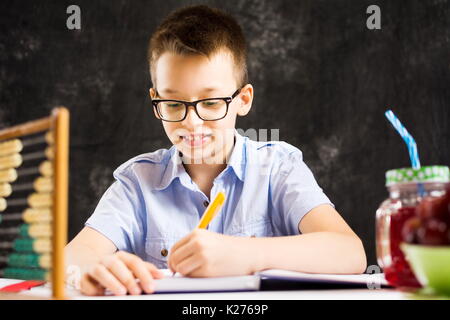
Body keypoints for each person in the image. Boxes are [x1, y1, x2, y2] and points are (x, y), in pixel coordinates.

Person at [65, 4, 367, 296]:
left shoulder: (277, 167)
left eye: (210, 103)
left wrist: (248, 254)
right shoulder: (138, 183)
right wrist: (96, 269)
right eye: (173, 104)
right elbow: (73, 258)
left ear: (243, 100)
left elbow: (350, 252)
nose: (192, 123)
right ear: (156, 103)